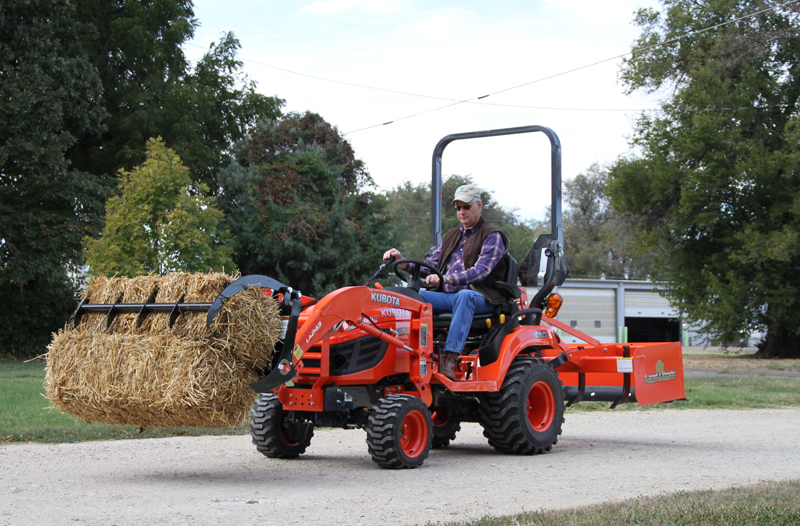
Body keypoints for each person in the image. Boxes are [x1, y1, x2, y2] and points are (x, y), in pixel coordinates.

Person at [383, 184, 510, 381]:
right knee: (409, 296)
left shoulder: (492, 236)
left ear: (479, 205)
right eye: (458, 208)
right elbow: (430, 266)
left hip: (482, 297)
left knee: (465, 296)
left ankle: (450, 359)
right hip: (449, 296)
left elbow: (481, 271)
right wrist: (403, 262)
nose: (461, 212)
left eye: (466, 207)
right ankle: (399, 354)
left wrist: (446, 279)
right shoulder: (452, 236)